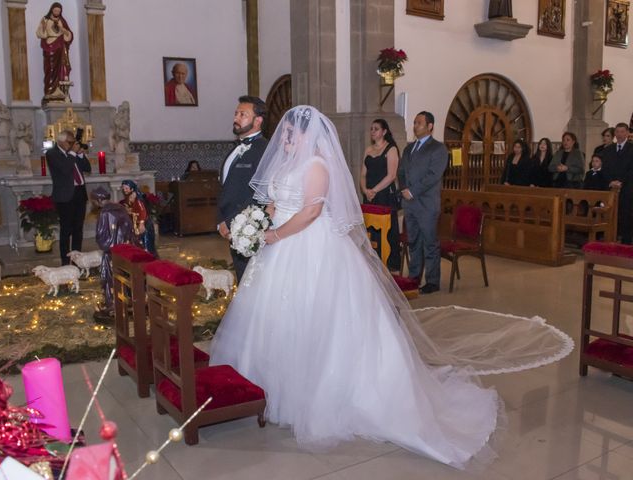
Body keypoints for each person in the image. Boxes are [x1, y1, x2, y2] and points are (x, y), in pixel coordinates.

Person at [210, 106, 573, 469]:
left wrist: (273, 234)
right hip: (278, 248)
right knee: (275, 320)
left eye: (291, 134)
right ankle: (274, 389)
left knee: (317, 320)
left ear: (309, 136)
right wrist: (256, 223)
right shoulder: (285, 166)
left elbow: (310, 213)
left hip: (308, 247)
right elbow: (274, 203)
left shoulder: (316, 166)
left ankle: (324, 395)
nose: (285, 139)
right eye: (284, 133)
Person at [216, 96, 268, 281]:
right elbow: (225, 188)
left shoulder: (264, 150)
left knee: (251, 280)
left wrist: (231, 222)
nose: (236, 118)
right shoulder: (235, 149)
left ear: (258, 120)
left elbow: (259, 194)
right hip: (230, 226)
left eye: (243, 114)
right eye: (236, 113)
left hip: (248, 227)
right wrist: (220, 219)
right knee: (241, 277)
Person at [398, 111, 448, 294]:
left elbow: (433, 176)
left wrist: (413, 190)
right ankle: (413, 278)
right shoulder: (409, 148)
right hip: (410, 204)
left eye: (419, 123)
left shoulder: (438, 149)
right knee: (414, 242)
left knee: (429, 243)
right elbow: (401, 172)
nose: (415, 126)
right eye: (414, 122)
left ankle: (432, 281)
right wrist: (404, 188)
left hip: (427, 205)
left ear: (430, 126)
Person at [360, 119, 401, 272]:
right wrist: (365, 190)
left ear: (384, 132)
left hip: (384, 195)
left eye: (376, 129)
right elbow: (363, 174)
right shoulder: (368, 149)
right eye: (371, 129)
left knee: (387, 230)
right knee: (371, 230)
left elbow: (391, 175)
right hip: (370, 195)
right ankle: (373, 261)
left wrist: (374, 190)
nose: (372, 131)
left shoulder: (391, 149)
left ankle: (390, 264)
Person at [46, 130, 91, 265]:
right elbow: (65, 169)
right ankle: (65, 262)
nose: (72, 145)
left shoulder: (73, 154)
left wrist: (81, 155)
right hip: (65, 197)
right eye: (70, 142)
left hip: (79, 194)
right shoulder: (52, 154)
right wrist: (72, 153)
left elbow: (87, 168)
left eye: (73, 143)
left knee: (78, 229)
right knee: (66, 230)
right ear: (61, 141)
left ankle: (77, 260)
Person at [92, 187, 136, 317]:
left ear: (99, 199)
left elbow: (101, 235)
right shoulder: (120, 208)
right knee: (126, 275)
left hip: (112, 251)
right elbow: (129, 227)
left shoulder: (105, 213)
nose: (93, 203)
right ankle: (128, 301)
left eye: (94, 200)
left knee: (110, 277)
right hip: (125, 249)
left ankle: (113, 304)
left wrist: (106, 246)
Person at [602, 122, 633, 243]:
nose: (619, 134)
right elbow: (605, 168)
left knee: (626, 215)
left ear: (627, 133)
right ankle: (611, 240)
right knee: (611, 215)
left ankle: (626, 242)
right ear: (614, 133)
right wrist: (611, 181)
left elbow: (631, 169)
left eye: (622, 132)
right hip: (611, 187)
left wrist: (621, 182)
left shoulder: (631, 149)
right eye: (617, 132)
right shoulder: (608, 149)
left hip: (627, 187)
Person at [35, 2, 73, 102]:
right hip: (49, 46)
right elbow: (40, 33)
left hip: (59, 47)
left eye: (59, 11)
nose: (57, 12)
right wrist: (43, 27)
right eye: (55, 10)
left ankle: (58, 91)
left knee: (59, 67)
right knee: (50, 68)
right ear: (52, 10)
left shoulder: (62, 21)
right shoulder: (45, 20)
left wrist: (63, 29)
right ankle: (49, 91)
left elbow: (69, 35)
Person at [120, 180, 157, 256]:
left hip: (143, 225)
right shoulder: (128, 198)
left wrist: (141, 223)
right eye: (123, 188)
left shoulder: (137, 198)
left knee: (145, 245)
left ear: (132, 189)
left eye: (126, 188)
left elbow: (142, 210)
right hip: (135, 224)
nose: (124, 190)